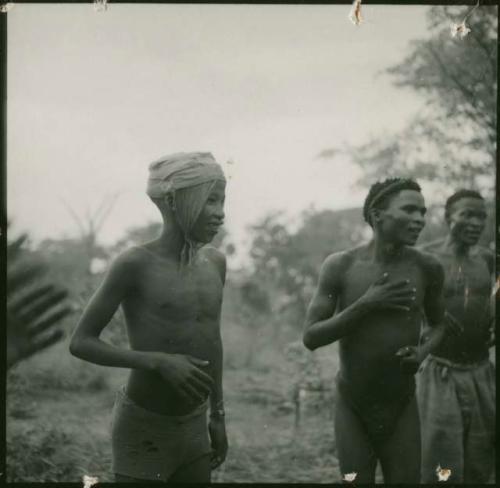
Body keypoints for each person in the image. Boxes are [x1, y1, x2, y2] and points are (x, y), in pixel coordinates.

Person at [70, 152, 228, 483]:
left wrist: (218, 414)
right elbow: (81, 342)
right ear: (173, 202)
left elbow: (212, 340)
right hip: (144, 426)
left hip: (195, 424)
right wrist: (158, 361)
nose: (220, 214)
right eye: (210, 201)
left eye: (222, 201)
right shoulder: (134, 263)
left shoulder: (215, 263)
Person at [303, 178, 451, 483]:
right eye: (410, 210)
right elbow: (311, 337)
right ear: (377, 214)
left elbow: (439, 324)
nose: (420, 219)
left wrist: (422, 352)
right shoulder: (341, 266)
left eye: (423, 212)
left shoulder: (428, 267)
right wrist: (366, 304)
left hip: (401, 403)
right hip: (353, 403)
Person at [417, 189, 495, 483]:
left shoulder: (487, 259)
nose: (476, 223)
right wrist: (430, 319)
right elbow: (400, 306)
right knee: (441, 465)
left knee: (480, 458)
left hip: (481, 371)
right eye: (467, 215)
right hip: (440, 371)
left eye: (482, 217)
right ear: (449, 217)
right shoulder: (425, 258)